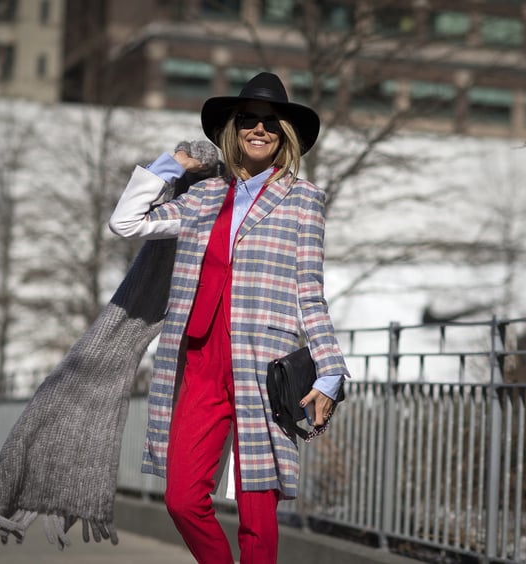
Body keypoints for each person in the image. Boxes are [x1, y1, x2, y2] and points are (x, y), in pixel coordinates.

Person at [108, 72, 350, 564]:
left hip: (264, 366)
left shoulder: (304, 201)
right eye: (248, 120)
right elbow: (126, 222)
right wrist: (170, 165)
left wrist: (330, 371)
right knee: (182, 500)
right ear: (234, 130)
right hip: (198, 362)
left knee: (258, 512)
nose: (258, 129)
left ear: (284, 135)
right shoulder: (204, 196)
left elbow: (310, 291)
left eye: (270, 123)